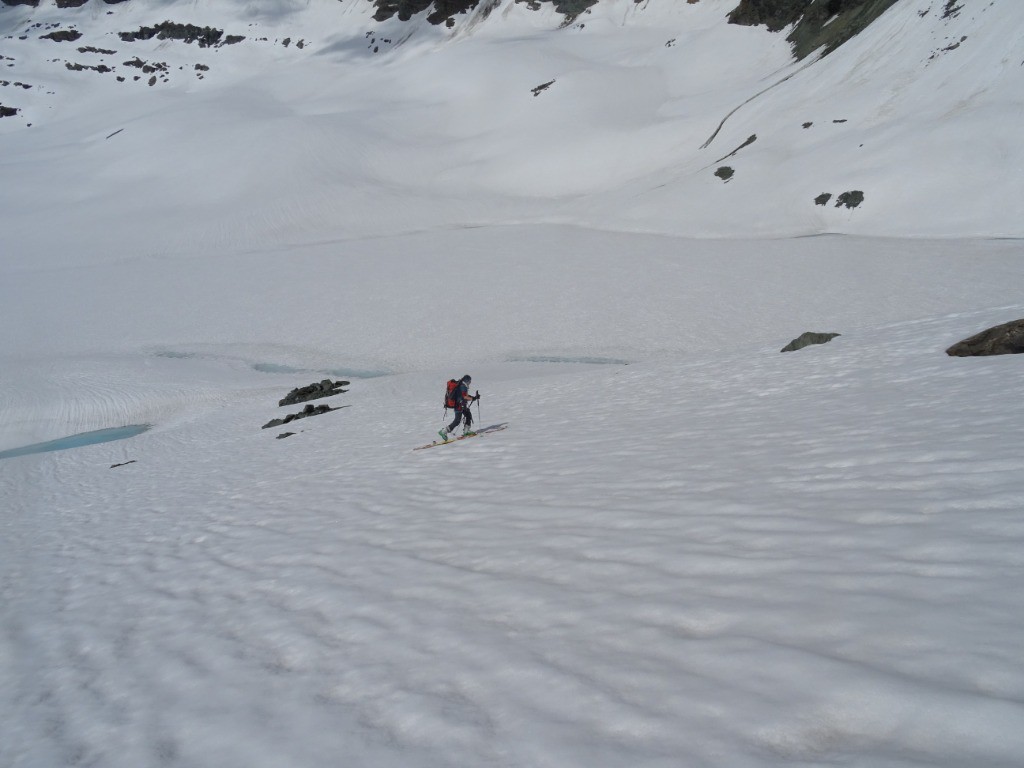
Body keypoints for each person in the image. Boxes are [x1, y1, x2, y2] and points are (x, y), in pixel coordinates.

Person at [439, 375, 479, 441]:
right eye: (469, 381)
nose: (470, 382)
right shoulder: (463, 386)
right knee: (457, 420)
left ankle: (466, 431)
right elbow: (464, 397)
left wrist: (474, 397)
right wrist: (473, 398)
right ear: (466, 380)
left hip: (461, 405)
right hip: (459, 406)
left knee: (468, 415)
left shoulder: (461, 385)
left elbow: (464, 395)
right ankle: (443, 431)